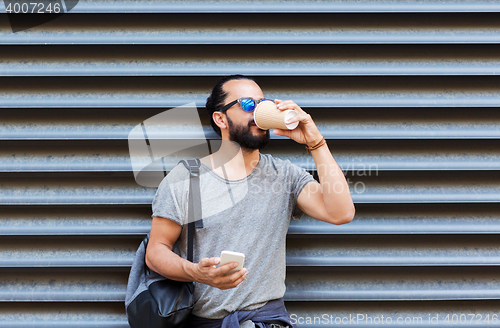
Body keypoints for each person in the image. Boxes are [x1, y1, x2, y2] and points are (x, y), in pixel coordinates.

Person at [146, 75, 355, 328]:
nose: (259, 111)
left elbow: (341, 213)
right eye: (247, 104)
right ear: (220, 118)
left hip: (266, 321)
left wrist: (315, 142)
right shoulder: (185, 178)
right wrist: (196, 272)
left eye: (263, 103)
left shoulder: (285, 175)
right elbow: (156, 252)